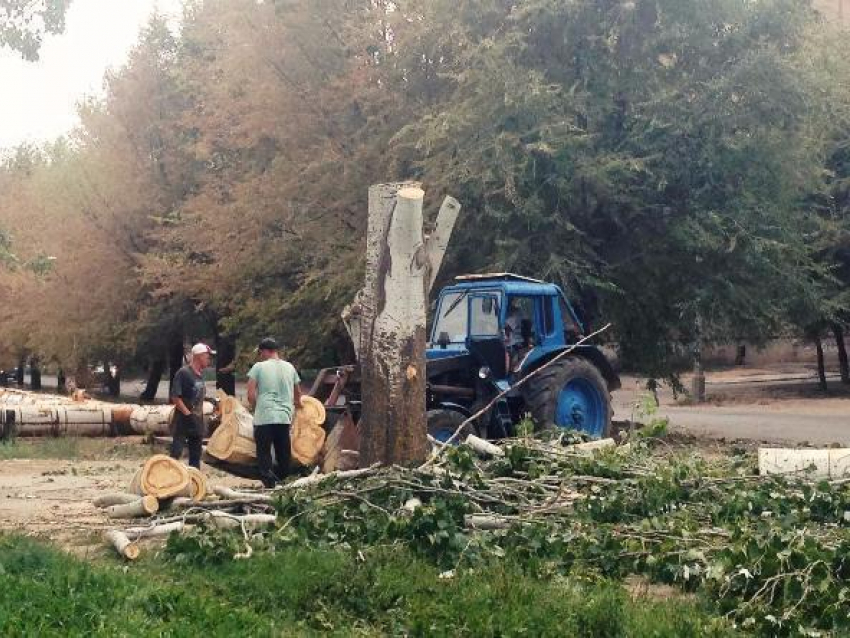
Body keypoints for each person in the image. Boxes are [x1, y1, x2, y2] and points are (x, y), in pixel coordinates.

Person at [247, 337, 303, 488]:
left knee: (264, 453)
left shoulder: (258, 367)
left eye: (260, 353)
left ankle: (270, 485)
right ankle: (284, 484)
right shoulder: (290, 367)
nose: (260, 356)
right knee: (283, 453)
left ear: (265, 351)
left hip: (264, 416)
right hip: (284, 417)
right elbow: (298, 392)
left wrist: (255, 407)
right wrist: (298, 405)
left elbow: (250, 395)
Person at [170, 343, 214, 469]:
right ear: (199, 356)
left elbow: (196, 394)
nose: (209, 359)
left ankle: (194, 481)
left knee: (195, 455)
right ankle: (168, 477)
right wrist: (187, 413)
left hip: (197, 420)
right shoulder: (183, 373)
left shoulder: (200, 375)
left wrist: (209, 400)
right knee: (176, 452)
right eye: (207, 356)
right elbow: (175, 397)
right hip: (183, 420)